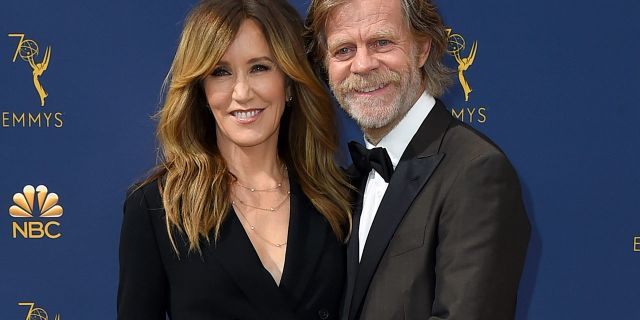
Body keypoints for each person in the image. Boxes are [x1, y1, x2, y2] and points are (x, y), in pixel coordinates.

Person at [118, 0, 351, 319]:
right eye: (221, 72)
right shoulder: (159, 207)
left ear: (290, 82)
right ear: (201, 90)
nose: (241, 92)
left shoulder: (340, 197)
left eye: (260, 67)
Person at [305, 0, 531, 319]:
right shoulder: (345, 181)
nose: (363, 64)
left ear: (422, 48)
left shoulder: (476, 172)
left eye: (381, 42)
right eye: (343, 50)